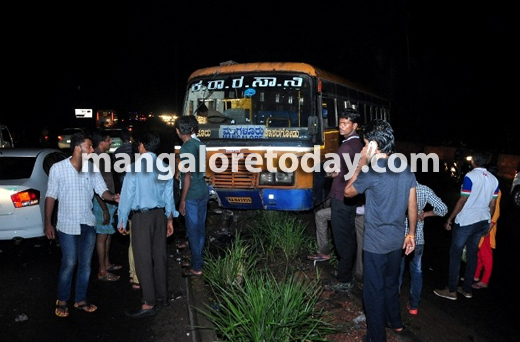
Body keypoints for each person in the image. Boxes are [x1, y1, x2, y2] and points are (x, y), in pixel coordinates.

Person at [344, 119, 417, 341]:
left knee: (373, 292)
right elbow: (412, 205)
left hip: (375, 244)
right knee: (391, 285)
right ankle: (395, 323)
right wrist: (411, 234)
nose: (364, 148)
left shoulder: (371, 171)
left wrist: (360, 163)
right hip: (397, 242)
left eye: (366, 144)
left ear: (375, 145)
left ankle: (376, 337)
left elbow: (348, 192)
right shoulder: (404, 168)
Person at [44, 132, 120, 317]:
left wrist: (113, 197)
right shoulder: (58, 168)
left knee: (85, 264)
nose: (92, 149)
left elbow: (102, 191)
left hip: (87, 223)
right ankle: (62, 300)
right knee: (69, 262)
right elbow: (51, 196)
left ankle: (80, 300)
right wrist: (47, 223)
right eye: (89, 146)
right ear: (78, 148)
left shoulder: (92, 168)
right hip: (67, 224)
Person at [117, 132, 178, 318]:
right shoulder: (165, 167)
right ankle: (163, 296)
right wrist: (170, 218)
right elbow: (169, 197)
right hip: (160, 216)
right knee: (159, 257)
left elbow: (127, 197)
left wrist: (121, 219)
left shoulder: (135, 168)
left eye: (138, 144)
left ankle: (148, 303)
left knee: (143, 260)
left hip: (141, 218)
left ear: (142, 145)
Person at [434, 151, 499, 300]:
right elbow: (493, 204)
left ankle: (451, 290)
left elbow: (463, 200)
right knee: (472, 254)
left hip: (466, 221)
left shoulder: (470, 177)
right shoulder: (494, 180)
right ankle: (467, 288)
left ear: (473, 161)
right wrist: (487, 220)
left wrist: (450, 218)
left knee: (455, 255)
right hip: (482, 220)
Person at [319, 108, 363, 292]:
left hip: (341, 197)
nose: (341, 127)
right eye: (340, 123)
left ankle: (344, 279)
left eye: (345, 124)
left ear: (355, 126)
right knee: (349, 238)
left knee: (342, 240)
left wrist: (323, 171)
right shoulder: (359, 144)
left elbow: (335, 171)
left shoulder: (345, 146)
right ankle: (347, 274)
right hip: (351, 198)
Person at [399, 181, 448, 315]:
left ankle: (393, 301)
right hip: (417, 238)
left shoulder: (399, 187)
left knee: (397, 270)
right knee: (417, 272)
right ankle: (414, 306)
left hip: (399, 238)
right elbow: (443, 209)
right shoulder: (424, 190)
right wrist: (425, 214)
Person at [175, 116, 209, 277]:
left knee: (193, 232)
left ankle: (196, 267)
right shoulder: (200, 144)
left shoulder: (186, 148)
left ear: (178, 131)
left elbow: (187, 176)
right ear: (192, 129)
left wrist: (182, 200)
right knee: (200, 230)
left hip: (192, 195)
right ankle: (198, 260)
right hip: (203, 191)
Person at [91, 130, 121, 282]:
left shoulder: (104, 157)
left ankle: (107, 264)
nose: (110, 143)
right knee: (102, 236)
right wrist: (104, 209)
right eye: (108, 140)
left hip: (109, 201)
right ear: (101, 142)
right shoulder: (95, 159)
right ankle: (102, 271)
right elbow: (96, 188)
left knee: (108, 234)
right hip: (101, 203)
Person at [113, 129, 140, 289]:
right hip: (134, 197)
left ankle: (133, 273)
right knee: (137, 242)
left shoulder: (117, 152)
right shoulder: (135, 151)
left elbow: (116, 173)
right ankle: (137, 276)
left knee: (132, 241)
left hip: (124, 194)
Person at [473, 165, 501, 289]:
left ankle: (484, 280)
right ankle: (475, 275)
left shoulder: (495, 189)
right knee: (479, 253)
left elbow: (496, 211)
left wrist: (489, 226)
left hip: (487, 227)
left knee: (486, 255)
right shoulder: (492, 186)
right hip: (484, 224)